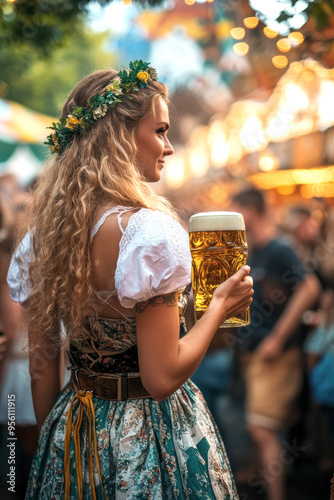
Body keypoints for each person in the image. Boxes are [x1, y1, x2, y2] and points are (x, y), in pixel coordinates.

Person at [7, 61, 253, 499]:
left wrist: (55, 447)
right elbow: (161, 378)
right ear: (121, 136)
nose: (169, 146)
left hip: (72, 425)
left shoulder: (44, 236)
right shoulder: (148, 233)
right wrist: (219, 306)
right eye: (160, 130)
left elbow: (42, 367)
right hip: (148, 433)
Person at [231, 187, 320, 500]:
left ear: (250, 210)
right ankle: (261, 481)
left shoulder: (279, 248)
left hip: (276, 356)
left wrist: (277, 338)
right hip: (254, 353)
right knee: (260, 426)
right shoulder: (253, 249)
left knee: (262, 428)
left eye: (236, 209)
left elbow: (309, 287)